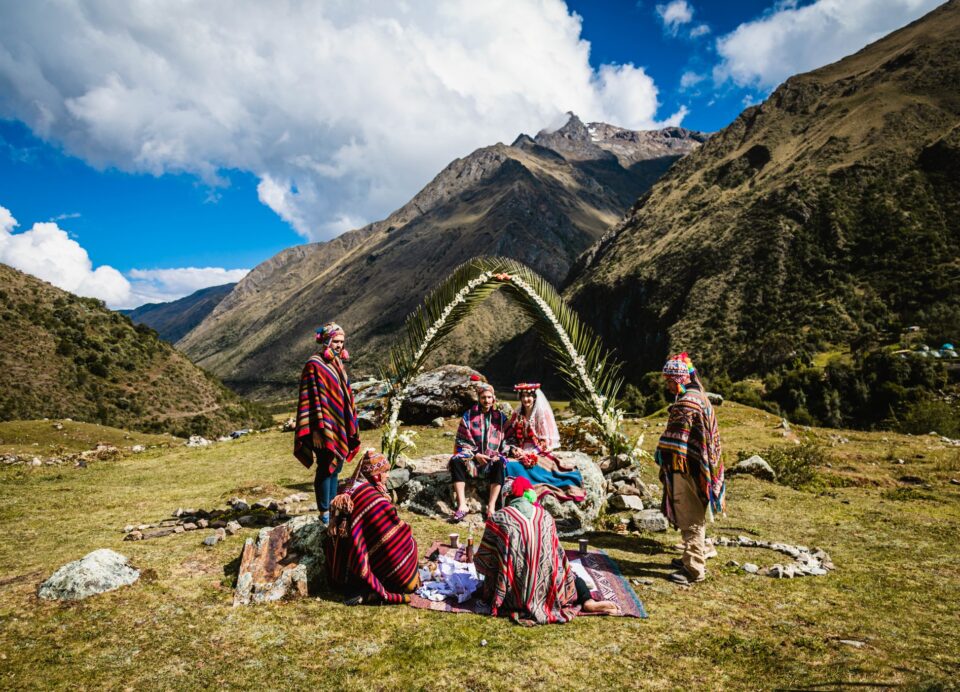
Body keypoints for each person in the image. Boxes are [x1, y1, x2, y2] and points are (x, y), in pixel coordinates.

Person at [474, 476, 618, 625]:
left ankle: (514, 592)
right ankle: (587, 601)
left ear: (507, 496)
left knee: (493, 573)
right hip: (549, 594)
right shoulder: (546, 516)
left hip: (511, 598)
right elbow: (559, 557)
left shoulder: (497, 518)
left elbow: (484, 562)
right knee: (571, 574)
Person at [655, 352, 726, 585]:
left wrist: (660, 450)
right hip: (702, 468)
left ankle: (694, 569)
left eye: (668, 381)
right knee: (698, 513)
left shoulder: (685, 403)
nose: (667, 385)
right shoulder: (700, 397)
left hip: (687, 469)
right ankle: (693, 555)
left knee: (690, 516)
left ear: (678, 379)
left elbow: (675, 442)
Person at [325, 450, 420, 605]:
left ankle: (364, 589)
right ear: (375, 475)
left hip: (339, 573)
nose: (388, 476)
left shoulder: (346, 489)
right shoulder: (374, 500)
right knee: (409, 566)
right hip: (360, 570)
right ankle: (374, 590)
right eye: (385, 472)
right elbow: (391, 537)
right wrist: (408, 538)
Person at [294, 322, 360, 524]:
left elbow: (343, 394)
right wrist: (315, 431)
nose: (340, 345)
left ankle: (333, 506)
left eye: (342, 342)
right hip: (321, 428)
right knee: (325, 466)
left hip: (337, 425)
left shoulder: (336, 363)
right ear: (327, 341)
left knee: (337, 466)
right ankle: (324, 510)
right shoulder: (313, 365)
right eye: (336, 341)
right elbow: (309, 399)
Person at [504, 383, 585, 503]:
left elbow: (545, 442)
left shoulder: (542, 414)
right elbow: (510, 433)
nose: (526, 399)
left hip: (538, 451)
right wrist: (515, 449)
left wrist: (530, 454)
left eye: (529, 396)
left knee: (524, 466)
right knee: (505, 464)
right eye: (523, 396)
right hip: (520, 448)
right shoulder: (518, 414)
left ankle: (527, 489)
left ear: (535, 397)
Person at [449, 380, 510, 522]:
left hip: (492, 460)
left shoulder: (500, 418)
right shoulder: (469, 416)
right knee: (456, 460)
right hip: (473, 458)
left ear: (493, 398)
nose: (486, 400)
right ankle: (462, 506)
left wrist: (498, 455)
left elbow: (509, 439)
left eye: (489, 397)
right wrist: (475, 455)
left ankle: (491, 506)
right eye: (483, 397)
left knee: (501, 463)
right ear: (479, 398)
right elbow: (461, 440)